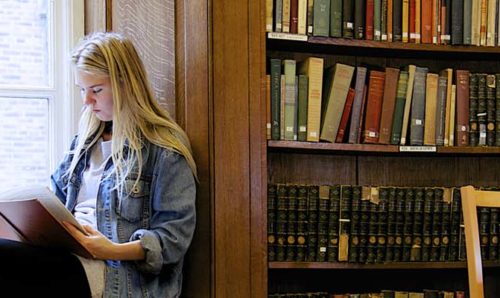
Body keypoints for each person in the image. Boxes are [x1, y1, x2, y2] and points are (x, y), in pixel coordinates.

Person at [0, 32, 197, 298]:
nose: (86, 101)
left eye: (96, 90)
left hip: (117, 273)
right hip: (68, 257)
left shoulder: (164, 149)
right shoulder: (82, 144)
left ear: (126, 84)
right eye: (82, 90)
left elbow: (173, 240)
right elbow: (53, 205)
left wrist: (108, 249)